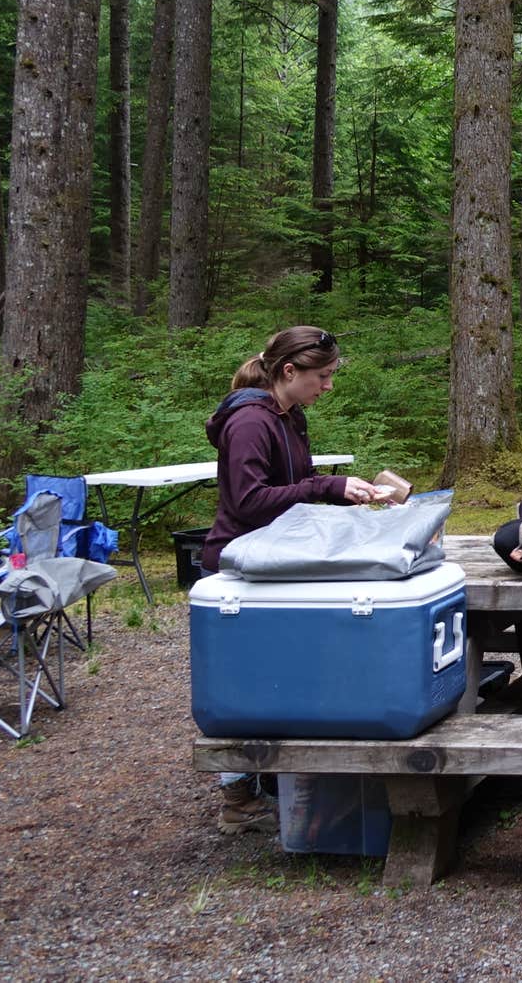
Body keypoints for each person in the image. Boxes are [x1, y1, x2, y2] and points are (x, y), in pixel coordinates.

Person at [202, 325, 388, 834]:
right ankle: (238, 798)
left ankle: (276, 782)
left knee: (287, 675)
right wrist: (327, 486)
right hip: (239, 568)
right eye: (321, 377)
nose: (327, 386)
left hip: (276, 562)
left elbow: (291, 493)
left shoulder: (288, 416)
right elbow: (248, 501)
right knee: (246, 683)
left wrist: (336, 501)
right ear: (289, 372)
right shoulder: (249, 423)